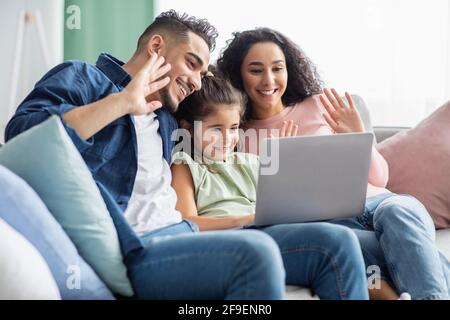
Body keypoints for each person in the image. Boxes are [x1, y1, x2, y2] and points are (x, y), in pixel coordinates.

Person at [4, 11, 287, 300]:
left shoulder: (168, 118)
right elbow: (24, 136)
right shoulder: (84, 78)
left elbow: (224, 121)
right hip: (143, 247)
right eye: (191, 64)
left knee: (331, 239)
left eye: (202, 74)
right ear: (155, 47)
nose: (197, 83)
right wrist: (122, 102)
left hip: (185, 234)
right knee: (255, 253)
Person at [217, 27, 450, 300]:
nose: (269, 79)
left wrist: (359, 135)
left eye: (277, 68)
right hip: (334, 225)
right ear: (238, 75)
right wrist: (281, 162)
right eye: (256, 70)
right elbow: (263, 206)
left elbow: (380, 178)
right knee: (375, 250)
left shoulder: (319, 105)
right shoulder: (234, 135)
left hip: (378, 203)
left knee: (399, 213)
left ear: (288, 70)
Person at [171, 72, 369, 300]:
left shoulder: (250, 162)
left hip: (268, 231)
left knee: (345, 233)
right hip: (235, 239)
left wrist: (289, 160)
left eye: (234, 128)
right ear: (187, 129)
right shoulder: (185, 165)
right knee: (337, 241)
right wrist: (245, 219)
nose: (227, 138)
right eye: (216, 129)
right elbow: (187, 223)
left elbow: (286, 202)